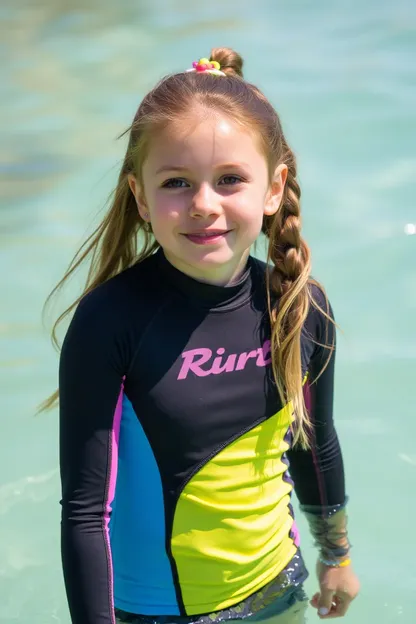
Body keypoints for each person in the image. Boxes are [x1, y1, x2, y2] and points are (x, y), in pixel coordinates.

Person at [42, 47, 360, 624]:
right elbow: (86, 512)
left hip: (278, 594)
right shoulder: (111, 322)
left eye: (230, 180)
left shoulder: (300, 306)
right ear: (140, 196)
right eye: (177, 182)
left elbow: (316, 446)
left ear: (274, 187)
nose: (203, 205)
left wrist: (335, 555)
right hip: (152, 615)